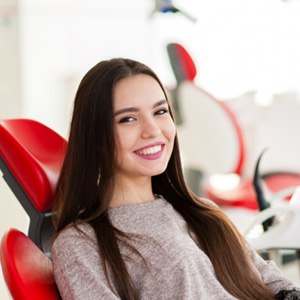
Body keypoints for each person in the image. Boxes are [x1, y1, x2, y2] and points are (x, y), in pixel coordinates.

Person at [52, 58, 300, 300]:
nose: (153, 130)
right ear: (94, 136)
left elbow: (273, 283)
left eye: (160, 111)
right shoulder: (80, 244)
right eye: (128, 118)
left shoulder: (204, 212)